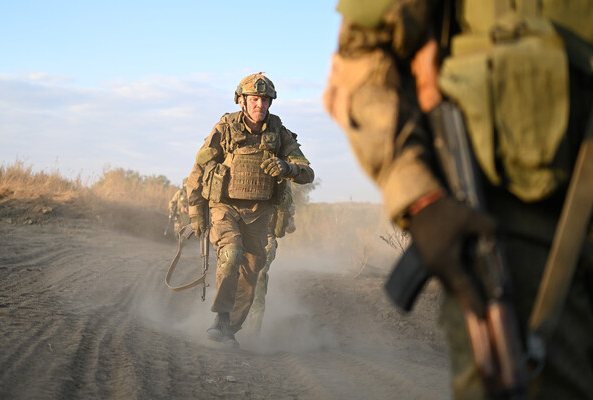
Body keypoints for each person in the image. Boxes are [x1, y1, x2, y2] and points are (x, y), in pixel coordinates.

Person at [324, 1, 593, 399]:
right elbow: (360, 57)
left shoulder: (278, 135)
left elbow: (302, 169)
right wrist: (420, 199)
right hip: (512, 233)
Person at [186, 73, 314, 348]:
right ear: (242, 101)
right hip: (225, 207)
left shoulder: (278, 133)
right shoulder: (225, 128)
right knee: (231, 255)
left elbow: (307, 172)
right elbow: (199, 169)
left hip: (259, 213)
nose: (260, 104)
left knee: (252, 271)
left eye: (265, 100)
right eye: (254, 99)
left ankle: (230, 329)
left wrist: (287, 168)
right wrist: (196, 210)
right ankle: (220, 319)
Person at [246, 180, 297, 333]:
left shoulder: (280, 177)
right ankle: (229, 326)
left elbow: (290, 225)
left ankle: (252, 334)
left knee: (258, 279)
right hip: (241, 234)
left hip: (266, 237)